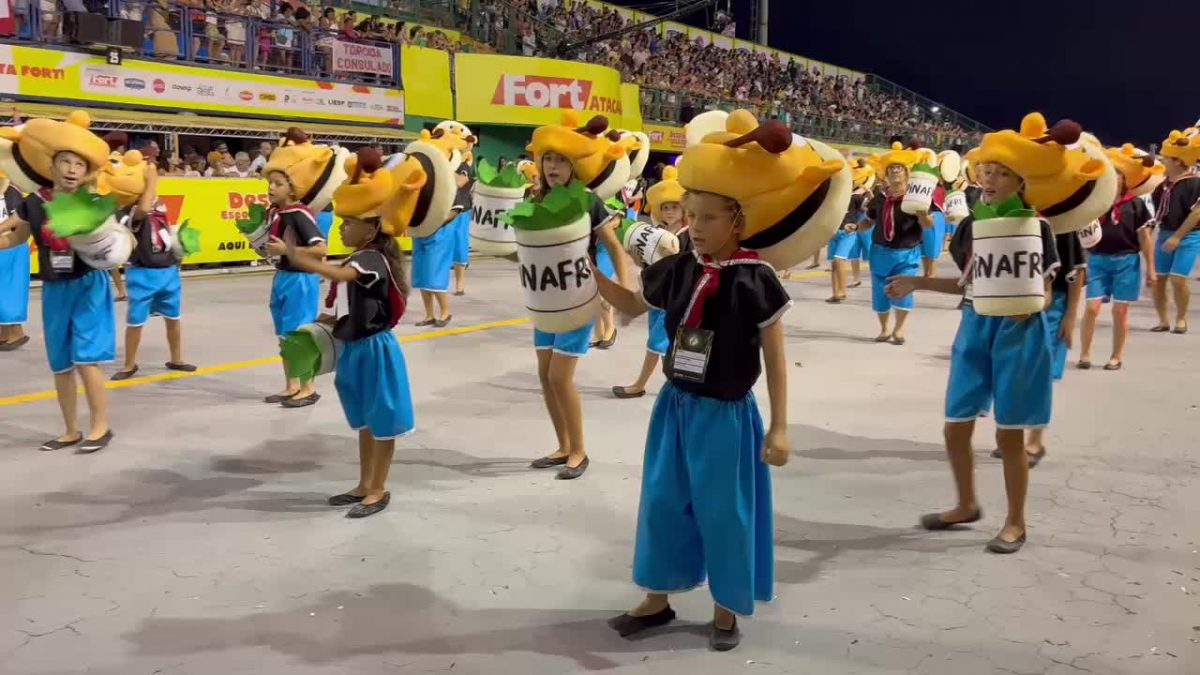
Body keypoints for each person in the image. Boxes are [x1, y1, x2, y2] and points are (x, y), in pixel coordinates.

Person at [599, 112, 799, 651]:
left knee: (724, 510)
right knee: (663, 500)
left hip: (727, 415)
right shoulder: (680, 266)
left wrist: (779, 428)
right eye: (690, 216)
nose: (696, 226)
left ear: (737, 221)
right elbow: (631, 306)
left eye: (708, 218)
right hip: (676, 405)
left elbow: (777, 361)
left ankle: (727, 605)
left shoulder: (756, 279)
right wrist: (588, 273)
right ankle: (658, 596)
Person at [887, 114, 1101, 554]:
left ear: (1021, 181)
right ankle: (966, 503)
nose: (990, 177)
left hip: (1018, 331)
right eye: (987, 169)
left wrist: (1039, 308)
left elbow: (1044, 288)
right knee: (955, 426)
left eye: (1002, 172)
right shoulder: (972, 224)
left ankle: (1016, 522)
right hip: (974, 325)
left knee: (1010, 434)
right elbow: (968, 283)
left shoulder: (1039, 226)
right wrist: (916, 283)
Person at [278, 148, 414, 518]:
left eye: (348, 222)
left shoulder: (370, 258)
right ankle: (364, 484)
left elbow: (340, 276)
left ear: (371, 225)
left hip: (375, 349)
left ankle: (378, 488)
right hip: (355, 347)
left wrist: (296, 255)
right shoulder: (362, 256)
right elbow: (342, 298)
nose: (341, 228)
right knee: (366, 421)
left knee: (381, 421)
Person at [0, 112, 118, 452]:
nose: (71, 169)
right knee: (61, 363)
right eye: (65, 161)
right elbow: (18, 237)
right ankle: (70, 430)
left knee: (86, 358)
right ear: (51, 166)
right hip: (54, 288)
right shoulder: (34, 201)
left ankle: (100, 427)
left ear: (87, 171)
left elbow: (115, 246)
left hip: (88, 285)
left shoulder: (92, 201)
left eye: (79, 164)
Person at [525, 114, 629, 480]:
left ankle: (579, 451)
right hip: (543, 297)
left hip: (577, 296)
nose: (552, 167)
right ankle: (563, 445)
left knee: (559, 376)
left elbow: (614, 247)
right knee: (544, 375)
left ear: (574, 165)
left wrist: (623, 291)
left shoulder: (587, 200)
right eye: (548, 159)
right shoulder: (533, 197)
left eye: (561, 161)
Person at [107, 153, 197, 381]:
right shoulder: (124, 212)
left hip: (168, 271)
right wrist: (151, 181)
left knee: (173, 318)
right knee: (135, 321)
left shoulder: (159, 206)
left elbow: (161, 224)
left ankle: (176, 358)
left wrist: (179, 251)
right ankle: (129, 363)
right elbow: (142, 211)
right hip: (142, 273)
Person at [260, 140, 328, 408]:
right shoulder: (278, 213)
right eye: (270, 183)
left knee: (299, 336)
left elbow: (321, 248)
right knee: (285, 336)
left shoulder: (300, 215)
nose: (271, 187)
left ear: (293, 187)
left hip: (300, 279)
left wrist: (286, 249)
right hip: (283, 277)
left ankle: (308, 388)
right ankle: (291, 385)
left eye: (278, 183)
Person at [611, 165, 688, 399]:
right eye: (665, 207)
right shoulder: (658, 231)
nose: (669, 212)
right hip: (656, 297)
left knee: (656, 343)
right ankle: (679, 384)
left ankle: (640, 384)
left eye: (675, 207)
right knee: (666, 344)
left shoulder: (688, 236)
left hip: (674, 299)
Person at [1079, 169, 1154, 371]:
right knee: (1091, 308)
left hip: (1126, 261)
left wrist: (1151, 270)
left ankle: (1116, 355)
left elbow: (1145, 238)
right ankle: (1085, 353)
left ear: (1123, 180)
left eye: (1116, 176)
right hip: (1098, 260)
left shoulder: (1136, 204)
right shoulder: (1096, 204)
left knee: (1120, 311)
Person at [866, 143, 936, 345]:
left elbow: (928, 224)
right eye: (891, 168)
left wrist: (923, 214)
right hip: (879, 252)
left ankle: (899, 329)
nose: (895, 170)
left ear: (907, 173)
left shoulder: (918, 196)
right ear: (886, 175)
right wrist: (855, 226)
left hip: (906, 253)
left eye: (899, 168)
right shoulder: (880, 198)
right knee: (880, 292)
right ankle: (884, 328)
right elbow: (868, 221)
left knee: (903, 289)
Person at [1150, 129, 1200, 334]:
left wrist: (1177, 237)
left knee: (1178, 278)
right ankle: (1163, 320)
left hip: (1189, 235)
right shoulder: (1161, 186)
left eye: (1166, 158)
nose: (1162, 160)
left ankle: (1181, 318)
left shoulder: (1195, 183)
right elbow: (1155, 211)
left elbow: (1197, 214)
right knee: (1159, 279)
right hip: (1165, 232)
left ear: (1178, 161)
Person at [0, 169, 28, 350]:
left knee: (9, 292)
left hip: (11, 247)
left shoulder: (11, 191)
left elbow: (18, 219)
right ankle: (4, 333)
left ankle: (16, 332)